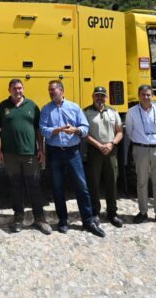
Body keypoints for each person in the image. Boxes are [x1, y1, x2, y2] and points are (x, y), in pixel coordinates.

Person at [39, 80, 106, 237]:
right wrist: (57, 130)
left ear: (62, 91)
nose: (50, 92)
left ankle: (88, 221)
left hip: (72, 152)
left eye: (53, 90)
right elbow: (42, 129)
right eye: (49, 90)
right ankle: (63, 220)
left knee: (82, 187)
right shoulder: (46, 109)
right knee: (57, 187)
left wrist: (76, 130)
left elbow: (85, 127)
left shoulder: (74, 107)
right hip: (54, 152)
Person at [0, 79, 52, 235]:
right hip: (10, 154)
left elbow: (38, 129)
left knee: (34, 185)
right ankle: (18, 218)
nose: (17, 91)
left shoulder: (32, 106)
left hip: (30, 154)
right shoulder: (3, 106)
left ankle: (39, 218)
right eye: (14, 88)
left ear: (23, 89)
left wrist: (41, 149)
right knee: (15, 186)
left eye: (20, 88)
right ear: (9, 90)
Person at [125, 84, 156, 228]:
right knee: (141, 182)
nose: (146, 97)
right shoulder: (132, 112)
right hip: (140, 149)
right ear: (139, 96)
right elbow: (129, 130)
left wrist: (155, 142)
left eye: (148, 95)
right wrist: (142, 141)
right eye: (143, 95)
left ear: (152, 96)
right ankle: (143, 212)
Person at [82, 86, 124, 228]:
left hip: (111, 150)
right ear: (92, 96)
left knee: (112, 182)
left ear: (106, 98)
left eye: (102, 96)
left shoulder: (113, 111)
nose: (100, 98)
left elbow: (119, 131)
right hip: (95, 151)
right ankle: (95, 212)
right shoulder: (86, 112)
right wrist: (99, 145)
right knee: (93, 183)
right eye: (97, 95)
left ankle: (112, 212)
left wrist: (112, 144)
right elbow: (84, 133)